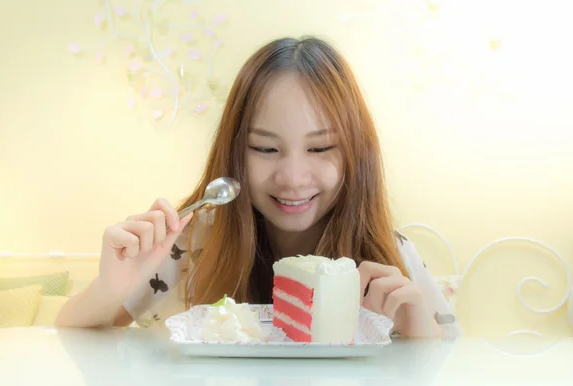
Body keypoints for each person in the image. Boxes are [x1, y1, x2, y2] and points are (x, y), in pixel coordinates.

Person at [56, 36, 461, 338]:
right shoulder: (191, 244)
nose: (293, 176)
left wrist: (421, 339)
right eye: (266, 148)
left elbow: (457, 371)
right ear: (235, 151)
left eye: (320, 147)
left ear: (357, 152)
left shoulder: (392, 255)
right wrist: (110, 289)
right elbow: (72, 339)